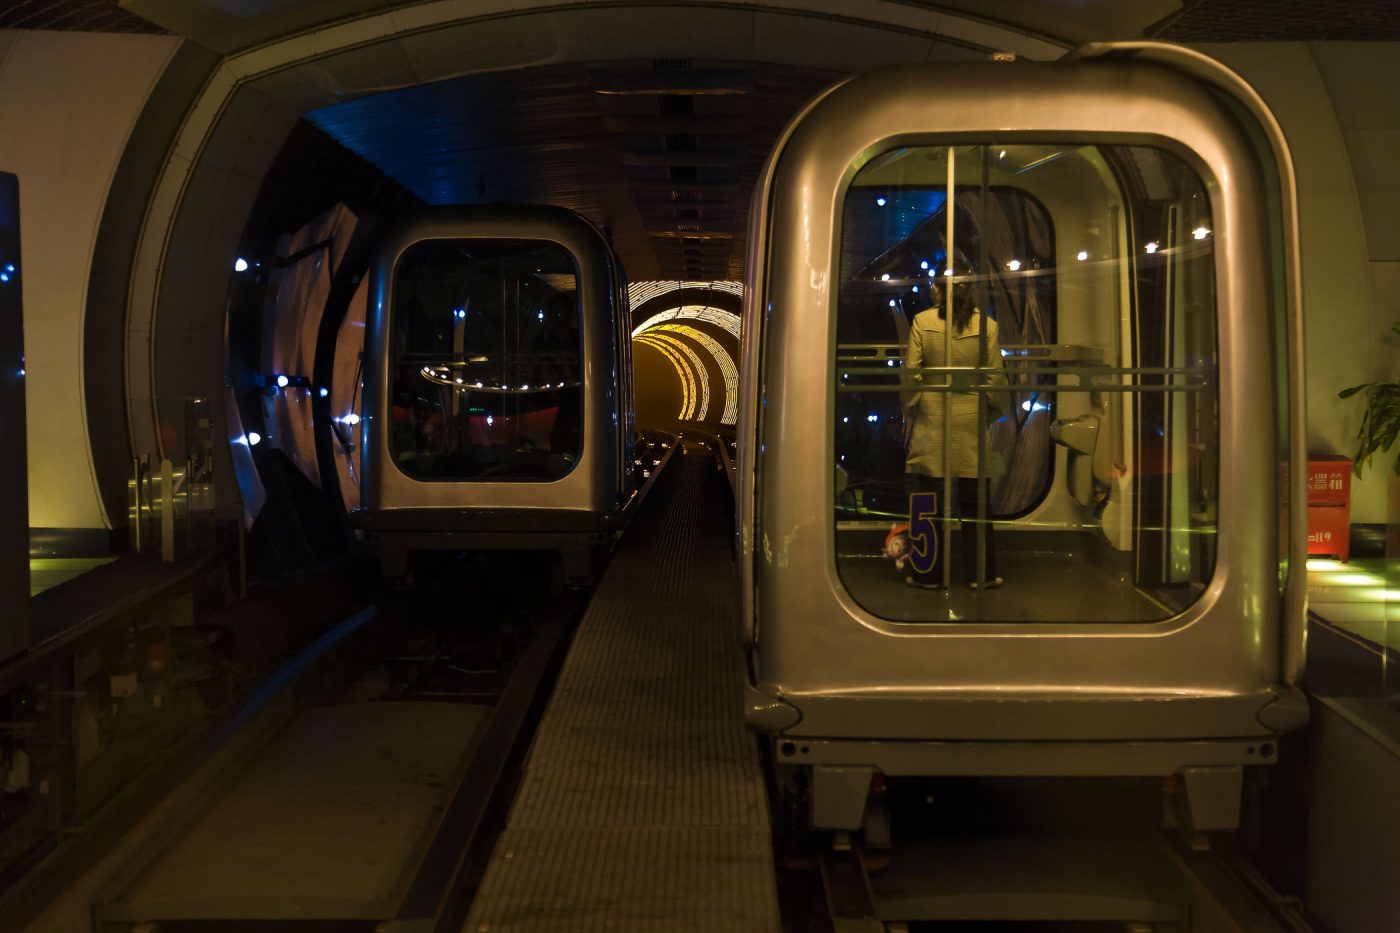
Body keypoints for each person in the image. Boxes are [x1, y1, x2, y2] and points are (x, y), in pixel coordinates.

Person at [901, 275, 1008, 589]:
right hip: (970, 418)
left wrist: (915, 404)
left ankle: (926, 572)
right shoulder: (987, 326)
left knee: (926, 494)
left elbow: (911, 372)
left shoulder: (922, 321)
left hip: (932, 418)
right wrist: (987, 411)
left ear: (935, 289)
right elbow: (995, 378)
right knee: (975, 501)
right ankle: (981, 574)